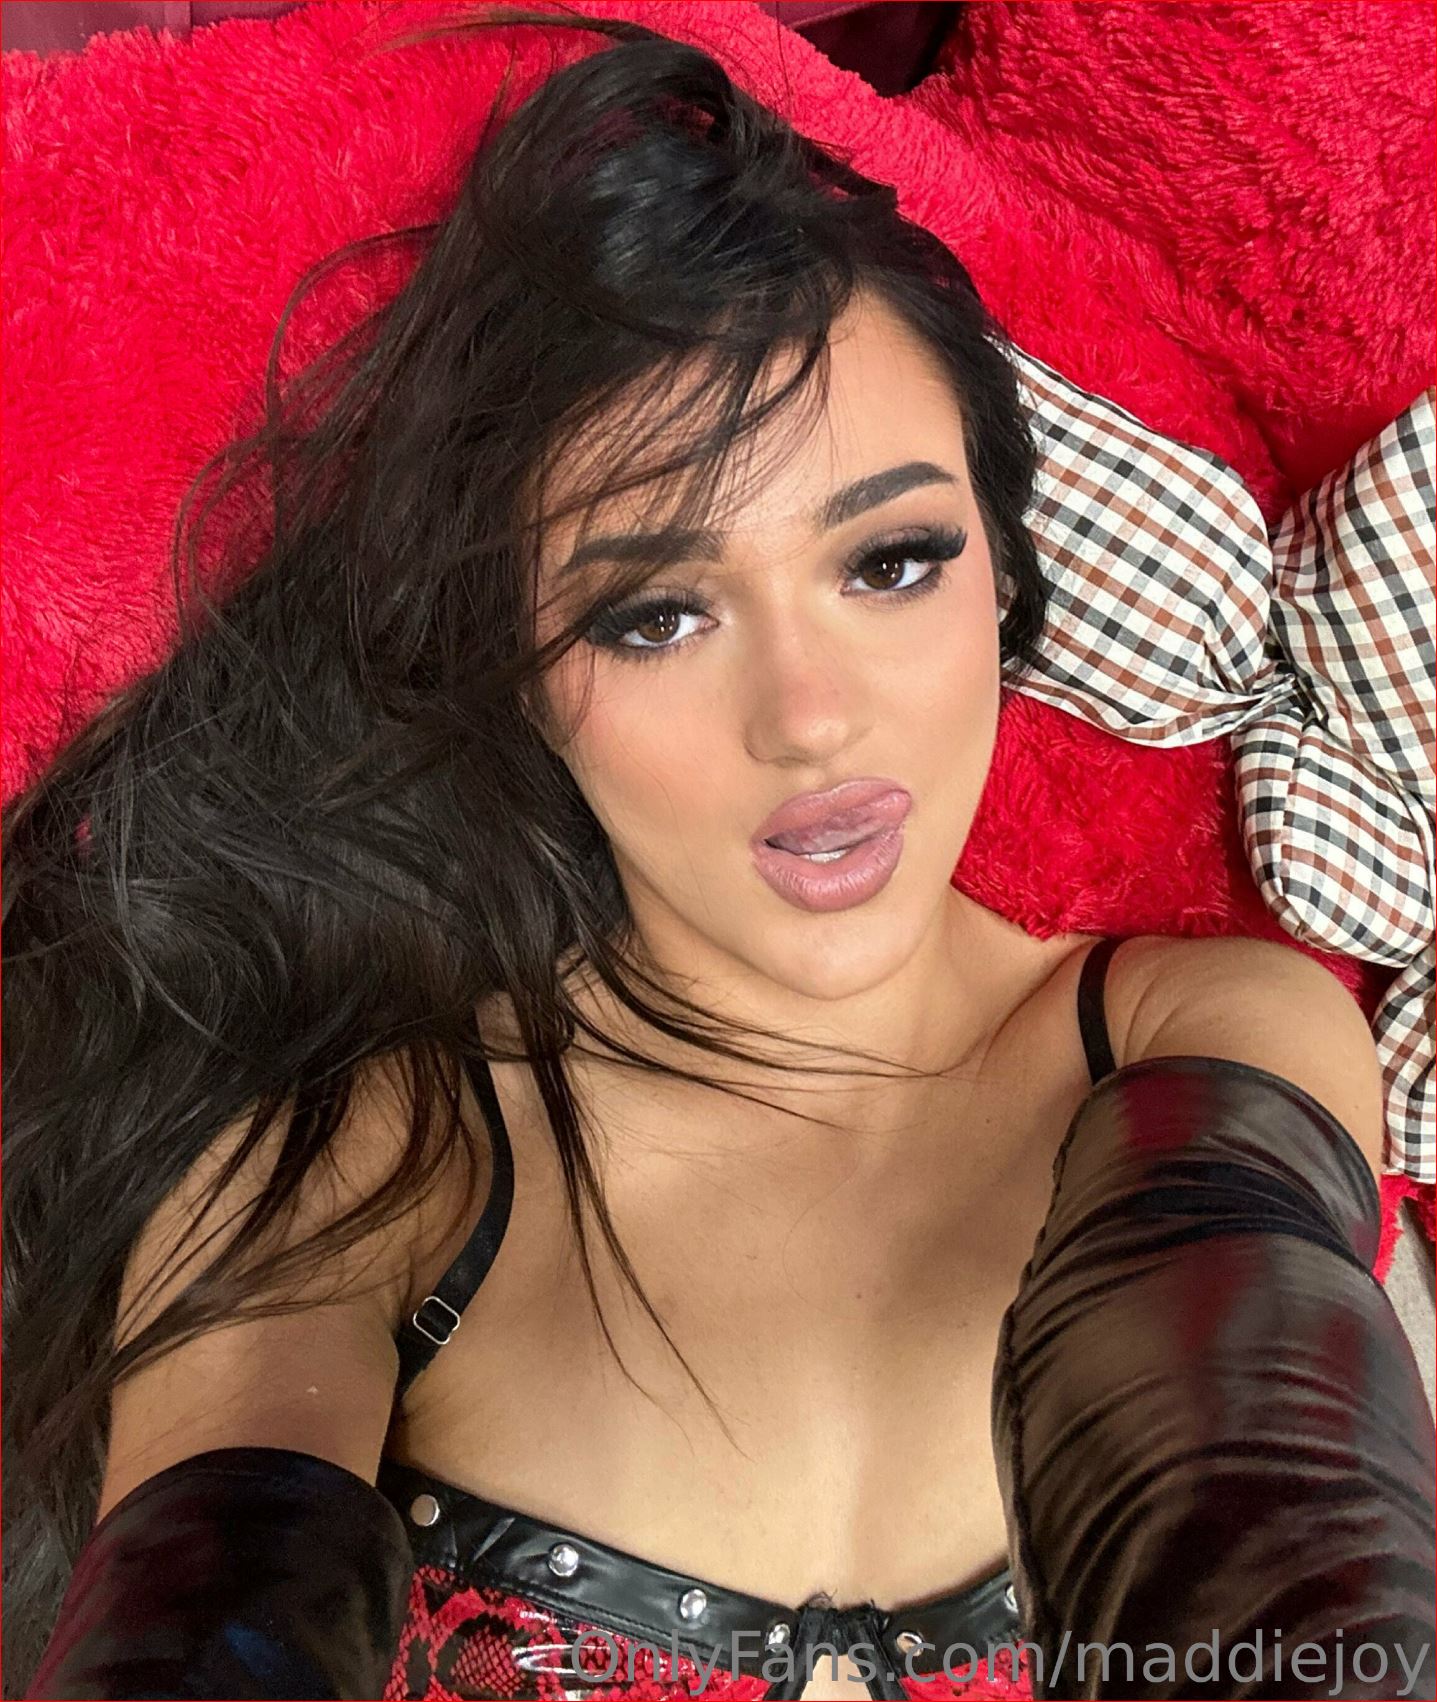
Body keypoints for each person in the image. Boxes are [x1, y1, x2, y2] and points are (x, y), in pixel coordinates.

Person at [4, 9, 1432, 1700]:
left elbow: (1263, 1518)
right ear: (521, 672)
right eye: (656, 612)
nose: (810, 716)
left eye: (889, 561)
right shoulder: (351, 1161)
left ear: (1002, 580)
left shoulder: (1207, 1025)